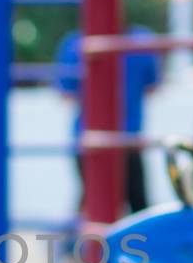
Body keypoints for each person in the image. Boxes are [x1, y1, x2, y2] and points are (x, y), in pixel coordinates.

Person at [55, 26, 162, 215]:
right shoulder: (141, 43)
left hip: (90, 139)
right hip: (127, 139)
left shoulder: (77, 44)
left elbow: (66, 94)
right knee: (138, 206)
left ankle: (78, 242)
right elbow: (152, 87)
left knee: (93, 204)